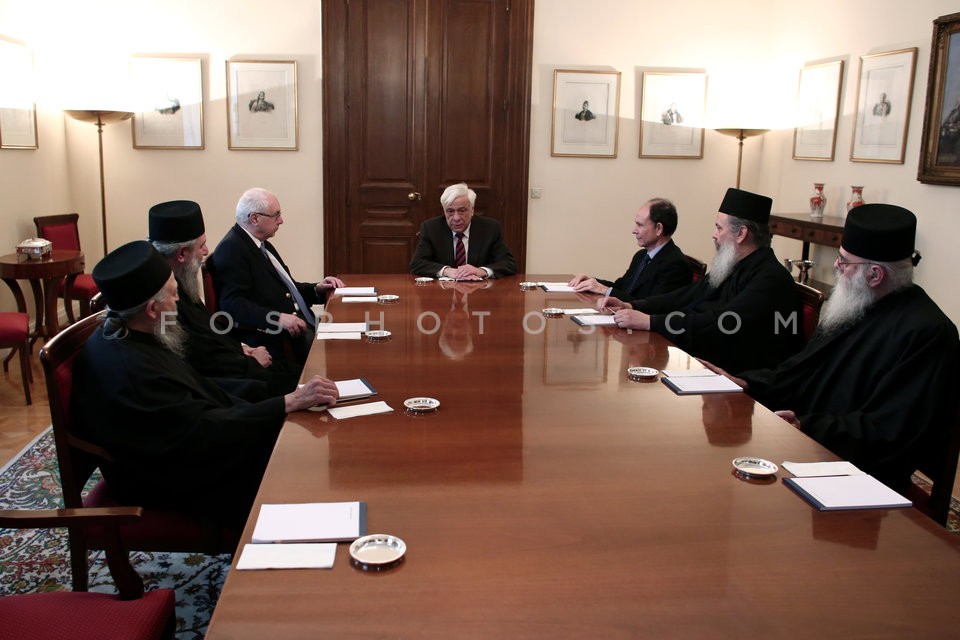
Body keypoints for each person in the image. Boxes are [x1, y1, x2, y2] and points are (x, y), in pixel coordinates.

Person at [72, 241, 339, 529]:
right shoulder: (133, 369)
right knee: (293, 462)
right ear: (152, 308)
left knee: (293, 435)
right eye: (173, 294)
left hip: (189, 444)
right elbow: (203, 431)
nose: (179, 300)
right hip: (167, 478)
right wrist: (286, 403)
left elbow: (196, 388)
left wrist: (275, 399)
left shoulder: (129, 330)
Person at [705, 204, 959, 492]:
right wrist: (748, 382)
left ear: (875, 274)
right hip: (809, 449)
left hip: (862, 479)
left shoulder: (927, 333)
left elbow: (891, 430)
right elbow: (801, 369)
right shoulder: (855, 304)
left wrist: (806, 426)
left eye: (844, 261)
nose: (836, 266)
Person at [601, 187, 801, 373]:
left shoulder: (769, 279)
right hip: (712, 359)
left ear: (741, 233)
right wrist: (633, 305)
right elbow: (685, 296)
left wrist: (651, 322)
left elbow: (722, 321)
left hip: (742, 375)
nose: (714, 235)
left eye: (719, 228)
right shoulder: (734, 266)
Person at [149, 199, 299, 394]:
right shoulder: (164, 299)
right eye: (202, 246)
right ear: (181, 254)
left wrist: (242, 348)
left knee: (302, 375)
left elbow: (209, 330)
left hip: (236, 361)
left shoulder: (181, 281)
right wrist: (249, 361)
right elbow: (195, 355)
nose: (206, 252)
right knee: (299, 381)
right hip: (222, 383)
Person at [209, 187, 345, 366]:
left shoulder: (260, 244)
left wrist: (317, 289)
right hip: (278, 339)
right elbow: (232, 304)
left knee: (354, 336)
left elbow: (286, 290)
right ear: (254, 218)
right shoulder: (232, 249)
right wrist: (278, 318)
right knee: (344, 354)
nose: (281, 221)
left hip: (303, 326)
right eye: (276, 215)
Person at [568, 198, 693, 300]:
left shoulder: (676, 264)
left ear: (659, 228)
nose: (634, 230)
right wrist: (592, 282)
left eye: (640, 225)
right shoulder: (641, 255)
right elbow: (622, 287)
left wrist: (604, 290)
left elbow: (651, 306)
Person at [409, 182, 517, 280]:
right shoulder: (431, 228)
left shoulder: (490, 228)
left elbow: (509, 263)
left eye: (462, 210)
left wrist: (481, 271)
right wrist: (447, 271)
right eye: (450, 211)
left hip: (479, 290)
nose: (456, 218)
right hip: (444, 291)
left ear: (472, 210)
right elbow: (417, 264)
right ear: (444, 211)